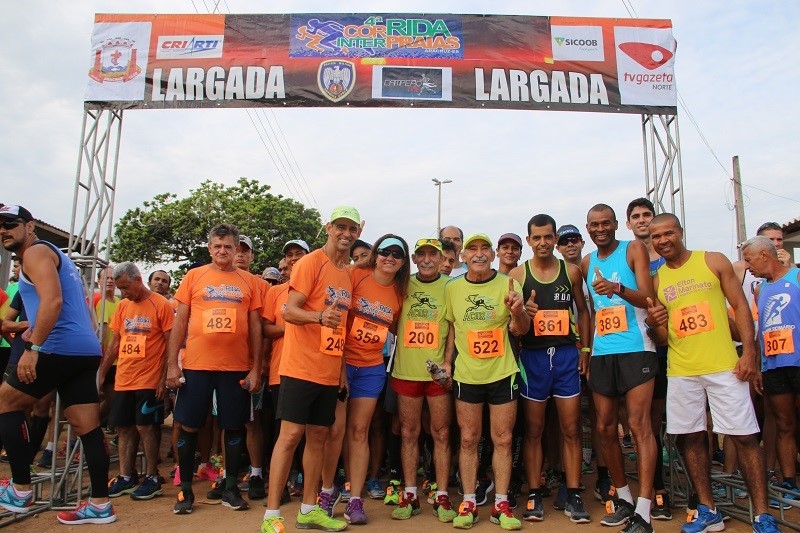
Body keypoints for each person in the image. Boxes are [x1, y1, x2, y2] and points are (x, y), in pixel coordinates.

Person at [646, 213, 781, 533]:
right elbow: (663, 336)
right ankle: (708, 510)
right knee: (689, 438)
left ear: (680, 232)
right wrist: (654, 324)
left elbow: (740, 307)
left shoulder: (713, 260)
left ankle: (762, 515)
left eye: (668, 233)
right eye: (656, 237)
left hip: (723, 366)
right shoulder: (657, 280)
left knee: (744, 437)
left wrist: (749, 352)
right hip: (681, 370)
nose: (663, 240)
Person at [0, 204, 116, 524]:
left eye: (10, 223)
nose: (3, 230)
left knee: (5, 403)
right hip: (84, 350)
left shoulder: (35, 253)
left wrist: (34, 346)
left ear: (30, 226)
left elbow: (53, 301)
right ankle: (100, 504)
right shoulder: (58, 256)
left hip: (57, 346)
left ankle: (21, 489)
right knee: (87, 426)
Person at [261, 206, 361, 533]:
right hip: (300, 367)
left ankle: (308, 509)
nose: (346, 234)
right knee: (290, 436)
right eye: (340, 227)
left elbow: (341, 328)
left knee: (318, 437)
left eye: (352, 229)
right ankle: (272, 515)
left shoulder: (346, 274)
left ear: (358, 231)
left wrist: (342, 371)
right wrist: (318, 317)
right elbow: (289, 311)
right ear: (329, 227)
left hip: (329, 371)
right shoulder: (309, 263)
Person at [165, 223, 263, 515]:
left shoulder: (250, 282)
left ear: (236, 250)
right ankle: (185, 493)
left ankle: (230, 488)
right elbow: (179, 323)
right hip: (196, 366)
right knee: (190, 426)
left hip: (235, 369)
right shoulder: (194, 276)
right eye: (217, 246)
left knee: (233, 427)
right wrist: (172, 364)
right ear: (209, 248)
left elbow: (256, 327)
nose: (223, 251)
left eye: (229, 246)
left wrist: (256, 368)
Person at [509, 214, 591, 524]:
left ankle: (573, 492)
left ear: (555, 238)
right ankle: (533, 493)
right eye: (537, 237)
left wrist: (585, 348)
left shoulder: (571, 272)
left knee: (571, 429)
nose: (543, 242)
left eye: (548, 237)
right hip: (533, 358)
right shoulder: (518, 274)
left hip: (567, 357)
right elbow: (514, 328)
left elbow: (584, 312)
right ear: (528, 240)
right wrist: (523, 315)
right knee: (534, 430)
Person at [581, 203, 657, 533]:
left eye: (605, 223)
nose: (600, 229)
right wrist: (586, 349)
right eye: (594, 225)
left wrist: (617, 289)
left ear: (616, 225)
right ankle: (624, 498)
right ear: (588, 228)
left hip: (637, 348)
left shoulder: (633, 249)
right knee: (605, 428)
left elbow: (650, 299)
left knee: (639, 425)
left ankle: (645, 509)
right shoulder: (586, 262)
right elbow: (588, 311)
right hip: (602, 352)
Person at [445, 233, 529, 530]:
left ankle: (502, 503)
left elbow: (521, 330)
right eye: (472, 249)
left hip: (502, 373)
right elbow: (451, 328)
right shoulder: (452, 288)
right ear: (463, 256)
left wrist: (518, 311)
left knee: (503, 439)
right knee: (468, 438)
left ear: (493, 255)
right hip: (466, 374)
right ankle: (468, 500)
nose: (479, 254)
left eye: (484, 249)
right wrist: (446, 362)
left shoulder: (509, 284)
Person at [333, 234, 408, 524]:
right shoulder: (355, 276)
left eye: (397, 254)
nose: (390, 257)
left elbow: (401, 331)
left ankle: (355, 499)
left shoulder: (400, 294)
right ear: (376, 254)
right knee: (335, 430)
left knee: (359, 430)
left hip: (371, 366)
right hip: (340, 362)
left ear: (403, 262)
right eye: (385, 252)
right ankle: (328, 491)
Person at [389, 237, 457, 522]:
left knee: (441, 433)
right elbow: (392, 320)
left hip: (436, 375)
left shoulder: (451, 287)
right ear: (414, 259)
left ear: (443, 260)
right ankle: (411, 495)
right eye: (422, 255)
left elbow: (453, 326)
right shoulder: (402, 284)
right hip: (407, 370)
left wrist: (447, 362)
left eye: (434, 255)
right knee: (408, 433)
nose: (428, 259)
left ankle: (442, 495)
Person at [99, 262, 174, 501]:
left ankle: (152, 476)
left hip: (149, 378)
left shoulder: (160, 304)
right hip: (124, 377)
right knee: (124, 427)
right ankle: (125, 476)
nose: (123, 292)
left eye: (125, 287)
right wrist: (101, 372)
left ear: (137, 280)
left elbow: (170, 343)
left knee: (146, 426)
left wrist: (164, 377)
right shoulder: (122, 306)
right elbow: (115, 342)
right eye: (120, 288)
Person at [743, 236, 800, 507]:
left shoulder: (797, 277)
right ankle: (789, 482)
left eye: (749, 259)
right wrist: (757, 365)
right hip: (775, 365)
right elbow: (759, 329)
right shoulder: (759, 290)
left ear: (764, 255)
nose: (747, 266)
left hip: (798, 360)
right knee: (784, 423)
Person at [625, 197, 671, 520]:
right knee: (648, 424)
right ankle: (656, 492)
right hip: (642, 348)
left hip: (675, 348)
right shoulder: (628, 257)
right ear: (629, 224)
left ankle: (695, 495)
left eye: (647, 215)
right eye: (636, 216)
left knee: (684, 425)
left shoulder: (670, 258)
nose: (642, 221)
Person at [262, 239, 310, 504]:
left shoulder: (317, 286)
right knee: (283, 433)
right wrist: (291, 325)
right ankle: (279, 486)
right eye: (289, 255)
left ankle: (304, 483)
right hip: (281, 371)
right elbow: (265, 329)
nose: (293, 259)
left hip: (311, 370)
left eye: (299, 253)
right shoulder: (275, 292)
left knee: (310, 434)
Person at [232, 234, 269, 500]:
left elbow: (265, 328)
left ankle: (256, 473)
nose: (241, 255)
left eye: (247, 251)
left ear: (252, 256)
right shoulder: (211, 279)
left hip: (250, 366)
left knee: (251, 422)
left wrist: (260, 363)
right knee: (227, 422)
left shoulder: (260, 285)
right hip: (219, 366)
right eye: (238, 249)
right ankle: (229, 476)